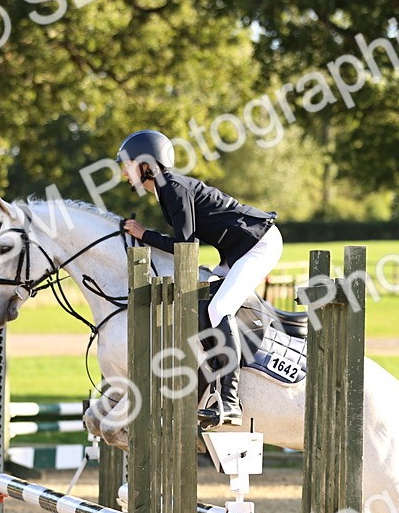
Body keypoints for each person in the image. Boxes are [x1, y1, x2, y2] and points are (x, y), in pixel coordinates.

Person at [118, 130, 282, 427]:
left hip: (259, 245)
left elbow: (186, 249)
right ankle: (215, 377)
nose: (124, 172)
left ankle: (231, 402)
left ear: (145, 165)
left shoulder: (173, 189)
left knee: (218, 309)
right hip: (235, 252)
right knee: (206, 302)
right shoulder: (166, 189)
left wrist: (145, 235)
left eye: (127, 165)